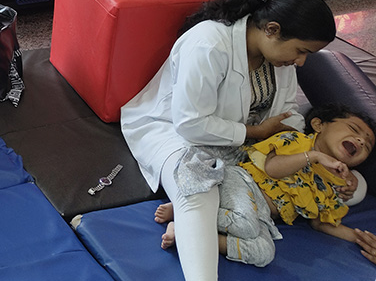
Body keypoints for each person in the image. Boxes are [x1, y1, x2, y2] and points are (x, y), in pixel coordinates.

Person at [120, 0, 338, 281]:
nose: (301, 62)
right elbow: (190, 123)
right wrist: (256, 133)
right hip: (174, 132)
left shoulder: (278, 60)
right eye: (301, 51)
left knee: (318, 191)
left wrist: (300, 150)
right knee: (198, 186)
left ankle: (188, 221)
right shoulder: (209, 44)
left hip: (245, 143)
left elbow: (288, 115)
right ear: (271, 29)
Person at [155, 103, 376, 267]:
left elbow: (320, 223)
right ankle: (189, 215)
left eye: (366, 145)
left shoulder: (333, 186)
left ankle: (187, 232)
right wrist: (313, 156)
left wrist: (358, 237)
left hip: (260, 214)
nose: (360, 141)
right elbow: (272, 168)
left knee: (263, 253)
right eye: (354, 130)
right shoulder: (295, 141)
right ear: (319, 125)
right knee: (245, 226)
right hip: (242, 183)